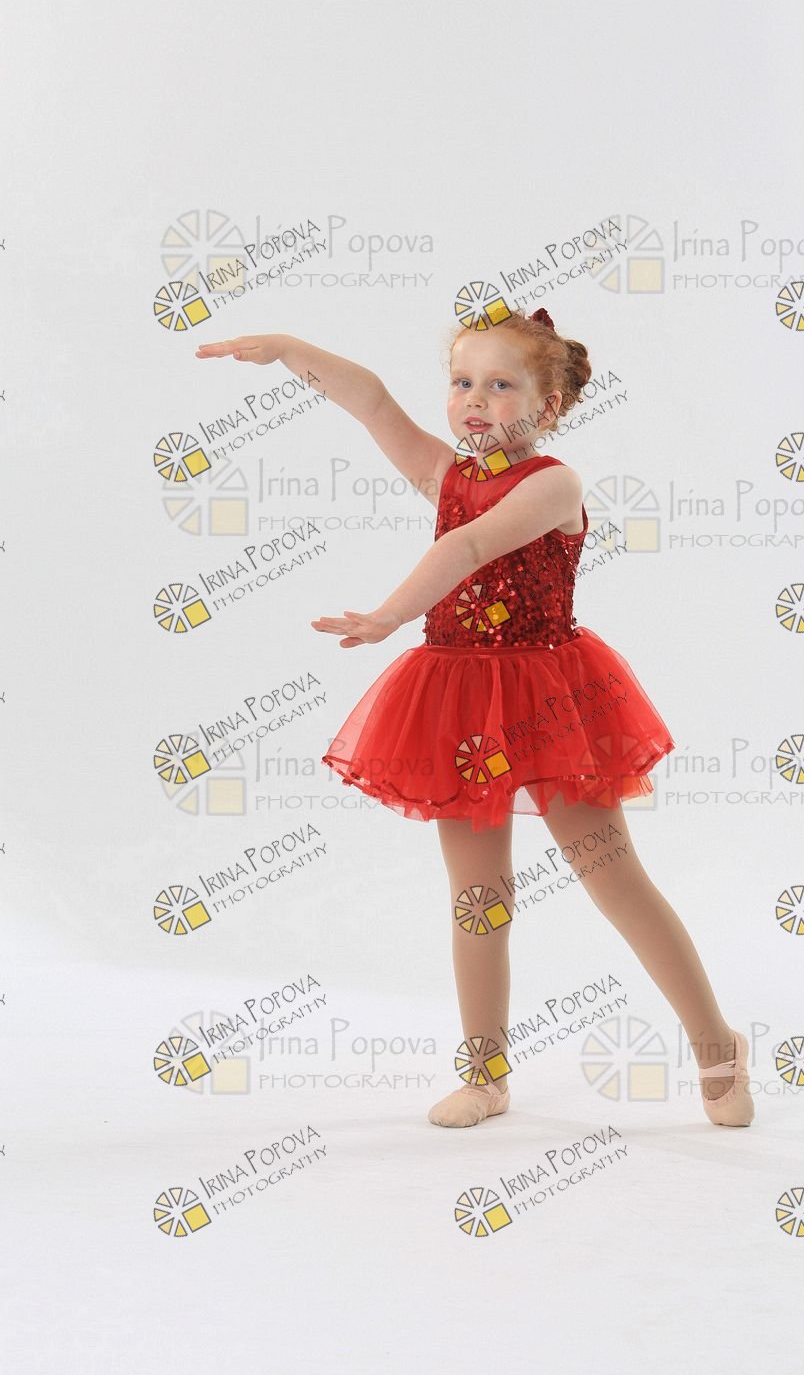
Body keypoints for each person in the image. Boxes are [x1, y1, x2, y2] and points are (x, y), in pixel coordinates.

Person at [195, 311, 754, 1130]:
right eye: (462, 383)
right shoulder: (446, 475)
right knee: (478, 896)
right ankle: (486, 1075)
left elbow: (465, 550)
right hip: (459, 700)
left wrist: (388, 615)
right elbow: (374, 403)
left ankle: (716, 1045)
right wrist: (290, 350)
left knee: (611, 876)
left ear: (549, 406)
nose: (475, 401)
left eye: (500, 385)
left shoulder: (553, 486)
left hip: (552, 700)